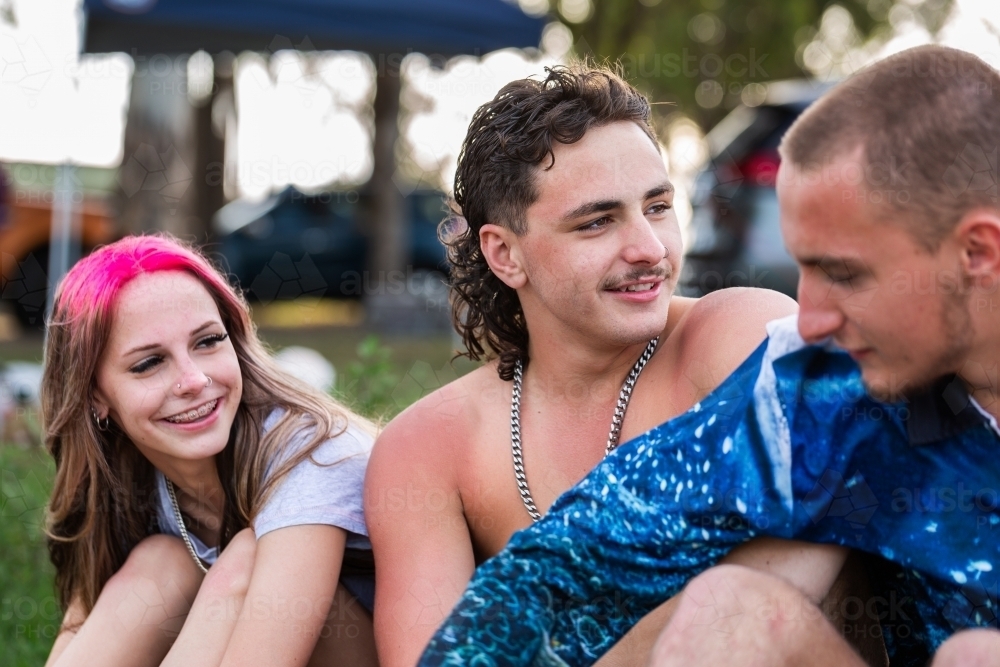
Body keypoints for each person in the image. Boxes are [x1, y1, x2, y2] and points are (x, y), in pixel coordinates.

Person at [415, 45, 1000, 667]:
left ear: (977, 253)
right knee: (734, 607)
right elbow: (572, 563)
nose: (811, 315)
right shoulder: (829, 387)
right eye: (803, 268)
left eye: (847, 274)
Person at [365, 65, 855, 667]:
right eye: (597, 221)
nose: (648, 249)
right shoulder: (431, 446)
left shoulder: (736, 336)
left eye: (657, 207)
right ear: (504, 253)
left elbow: (818, 526)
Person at [41, 235, 379, 667]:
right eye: (149, 363)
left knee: (245, 558)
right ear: (94, 395)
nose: (194, 380)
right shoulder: (126, 476)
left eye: (207, 341)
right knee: (159, 563)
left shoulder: (311, 451)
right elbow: (78, 639)